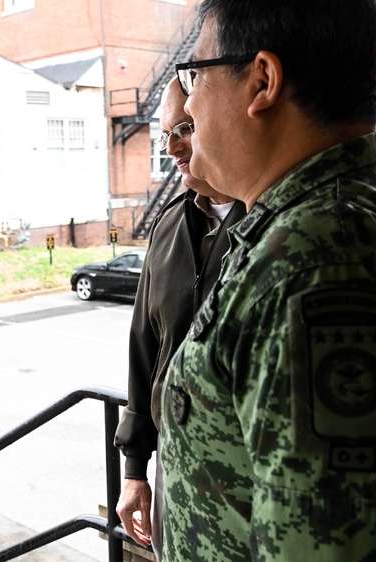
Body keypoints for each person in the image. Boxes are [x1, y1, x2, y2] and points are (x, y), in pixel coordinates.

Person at [159, 1, 376, 560]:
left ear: (262, 80)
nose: (188, 102)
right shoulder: (369, 197)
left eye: (195, 75)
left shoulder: (316, 265)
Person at [113, 77, 245, 556]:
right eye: (164, 133)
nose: (171, 146)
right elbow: (145, 348)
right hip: (175, 479)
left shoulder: (273, 228)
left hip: (243, 489)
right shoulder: (169, 223)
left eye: (185, 127)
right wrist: (134, 470)